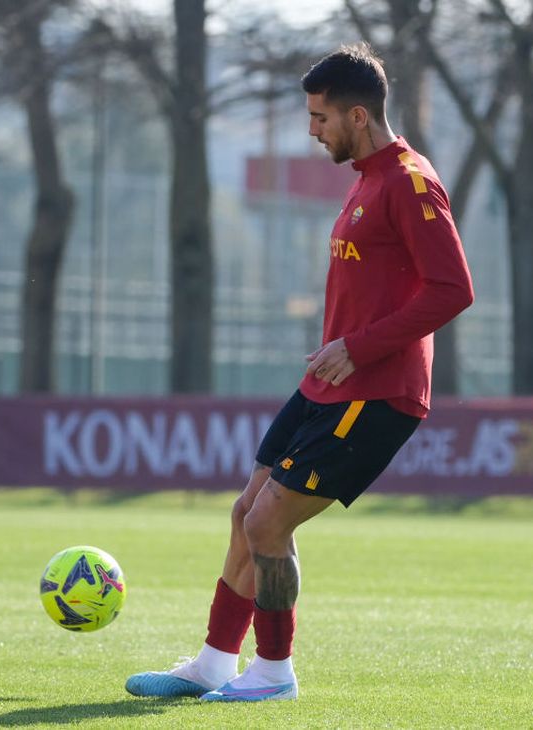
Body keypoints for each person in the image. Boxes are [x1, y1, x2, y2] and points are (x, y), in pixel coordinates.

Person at [125, 42, 474, 703]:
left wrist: (362, 346)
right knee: (245, 514)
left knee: (267, 525)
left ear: (360, 117)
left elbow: (453, 289)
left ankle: (274, 673)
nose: (312, 130)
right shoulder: (367, 180)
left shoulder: (410, 181)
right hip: (331, 382)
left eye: (321, 118)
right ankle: (211, 663)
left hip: (375, 392)